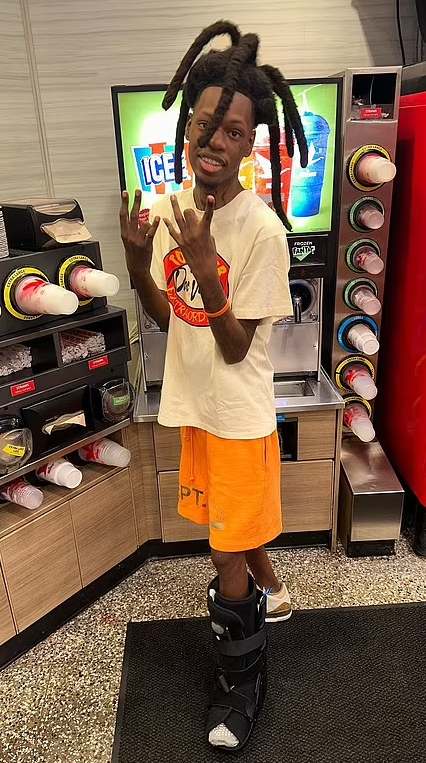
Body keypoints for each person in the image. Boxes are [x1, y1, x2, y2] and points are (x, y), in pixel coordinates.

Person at [120, 20, 307, 753]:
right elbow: (165, 315)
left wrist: (206, 267)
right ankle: (275, 589)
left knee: (223, 554)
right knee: (229, 531)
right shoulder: (170, 210)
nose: (214, 141)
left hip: (237, 415)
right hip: (192, 406)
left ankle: (242, 684)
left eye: (232, 132)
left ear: (249, 145)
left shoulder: (262, 231)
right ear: (188, 128)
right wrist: (137, 262)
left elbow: (234, 346)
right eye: (205, 124)